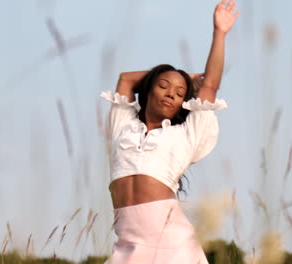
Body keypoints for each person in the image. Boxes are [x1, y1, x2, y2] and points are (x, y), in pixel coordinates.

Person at [100, 0, 239, 263]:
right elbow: (126, 79)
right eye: (163, 86)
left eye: (179, 93)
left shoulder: (185, 135)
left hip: (171, 244)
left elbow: (210, 86)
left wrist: (219, 33)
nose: (170, 94)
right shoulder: (124, 125)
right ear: (149, 88)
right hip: (127, 243)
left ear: (181, 105)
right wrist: (183, 76)